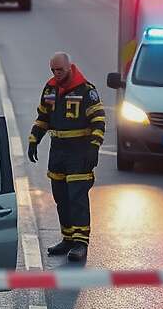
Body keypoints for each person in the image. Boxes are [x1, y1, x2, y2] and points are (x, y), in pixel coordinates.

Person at [27, 52, 106, 262]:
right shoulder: (51, 88)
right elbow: (43, 116)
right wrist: (34, 138)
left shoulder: (86, 91)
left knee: (77, 198)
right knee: (61, 196)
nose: (56, 73)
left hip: (79, 152)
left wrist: (93, 147)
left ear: (69, 67)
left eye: (59, 70)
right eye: (53, 70)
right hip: (58, 150)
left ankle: (81, 243)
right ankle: (68, 238)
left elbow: (99, 121)